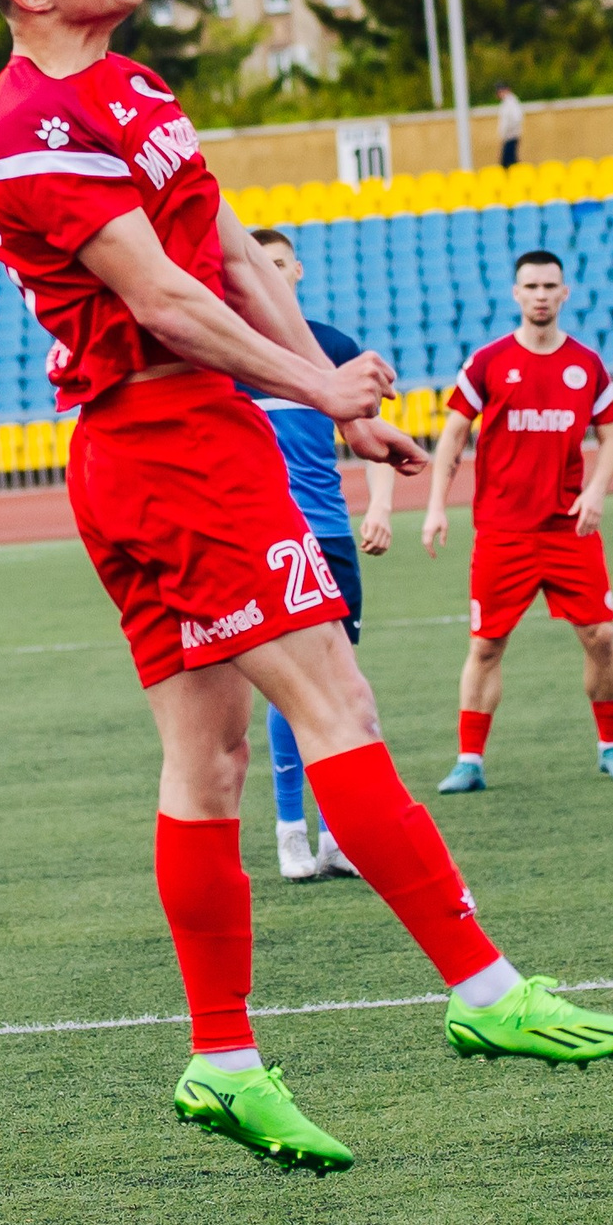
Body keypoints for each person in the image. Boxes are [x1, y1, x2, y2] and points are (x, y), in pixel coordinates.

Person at [0, 0, 613, 1176]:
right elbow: (160, 294)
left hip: (190, 437)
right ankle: (485, 987)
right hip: (168, 446)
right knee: (340, 704)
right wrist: (313, 386)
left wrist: (335, 404)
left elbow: (226, 248)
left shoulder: (136, 89)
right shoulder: (29, 124)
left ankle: (221, 1059)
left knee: (207, 759)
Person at [421, 252, 613, 789]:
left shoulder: (586, 365)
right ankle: (469, 761)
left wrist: (596, 491)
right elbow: (453, 434)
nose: (540, 294)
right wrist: (434, 505)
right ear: (515, 294)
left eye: (550, 286)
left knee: (601, 636)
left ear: (564, 294)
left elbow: (611, 438)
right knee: (485, 645)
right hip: (503, 530)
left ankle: (612, 746)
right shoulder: (488, 362)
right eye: (531, 286)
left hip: (569, 528)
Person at [242, 227, 397, 882]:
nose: (272, 275)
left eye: (281, 264)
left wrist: (381, 504)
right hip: (268, 538)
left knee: (339, 685)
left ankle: (337, 836)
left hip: (330, 536)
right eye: (260, 265)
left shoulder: (331, 347)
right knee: (291, 686)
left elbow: (375, 435)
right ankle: (290, 832)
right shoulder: (231, 353)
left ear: (297, 270)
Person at [494, 87, 524, 169]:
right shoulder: (507, 103)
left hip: (511, 136)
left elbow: (516, 119)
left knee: (508, 162)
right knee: (508, 160)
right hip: (508, 136)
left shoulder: (511, 102)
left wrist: (508, 131)